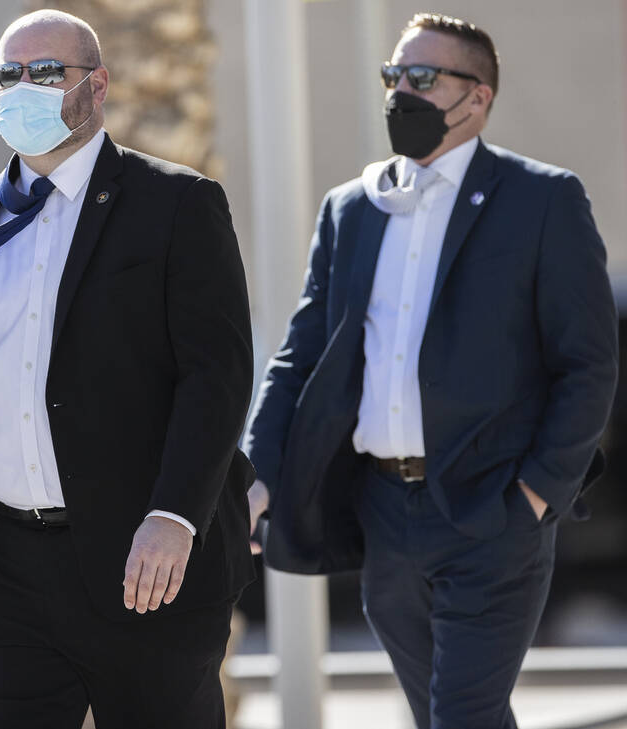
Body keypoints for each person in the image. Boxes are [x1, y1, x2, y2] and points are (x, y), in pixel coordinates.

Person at [0, 10, 255, 729]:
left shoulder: (176, 203)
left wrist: (174, 517)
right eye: (8, 74)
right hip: (8, 569)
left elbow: (218, 375)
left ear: (98, 86)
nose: (23, 88)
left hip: (143, 564)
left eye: (47, 73)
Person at [244, 13, 617, 729]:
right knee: (440, 714)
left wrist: (536, 494)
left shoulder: (542, 201)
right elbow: (300, 354)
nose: (399, 94)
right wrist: (258, 472)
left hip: (493, 510)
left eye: (421, 78)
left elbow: (588, 365)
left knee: (464, 715)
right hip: (385, 514)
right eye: (393, 76)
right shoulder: (352, 209)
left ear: (476, 98)